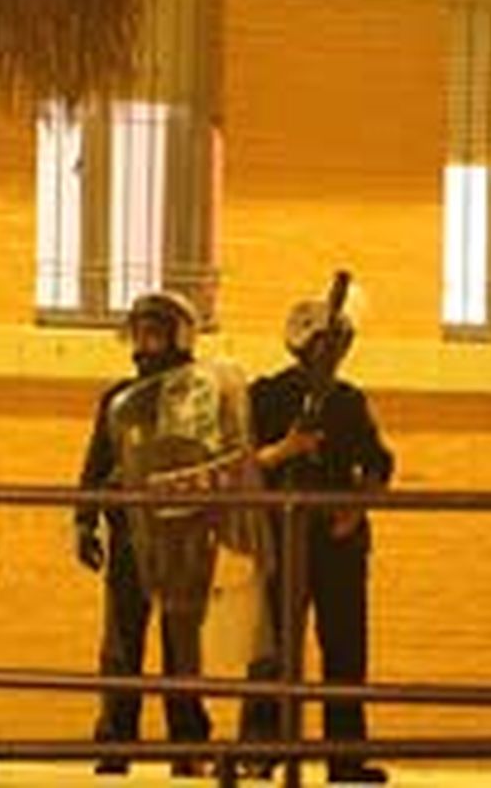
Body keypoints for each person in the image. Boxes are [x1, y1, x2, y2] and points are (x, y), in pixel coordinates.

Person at [75, 290, 259, 777]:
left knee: (182, 646)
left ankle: (187, 744)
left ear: (180, 336)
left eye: (155, 333)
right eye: (139, 333)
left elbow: (226, 458)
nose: (145, 343)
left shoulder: (202, 396)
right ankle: (115, 742)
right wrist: (84, 519)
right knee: (121, 644)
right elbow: (96, 463)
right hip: (130, 532)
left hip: (186, 534)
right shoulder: (118, 400)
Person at [239, 300, 394, 784]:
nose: (333, 354)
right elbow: (239, 463)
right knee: (272, 649)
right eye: (325, 344)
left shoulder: (348, 400)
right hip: (279, 537)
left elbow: (379, 463)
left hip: (338, 541)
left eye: (339, 344)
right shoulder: (265, 395)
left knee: (345, 648)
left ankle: (344, 757)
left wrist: (357, 507)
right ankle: (260, 750)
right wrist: (287, 449)